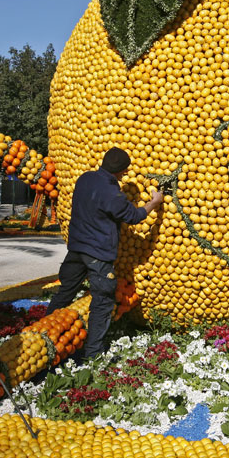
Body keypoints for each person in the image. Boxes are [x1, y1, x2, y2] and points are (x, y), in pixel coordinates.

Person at [46, 147, 163, 359]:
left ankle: (45, 336)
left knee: (66, 292)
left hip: (76, 248)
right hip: (97, 254)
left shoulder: (85, 179)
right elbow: (134, 216)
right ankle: (93, 354)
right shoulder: (112, 194)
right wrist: (154, 203)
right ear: (121, 171)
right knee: (103, 300)